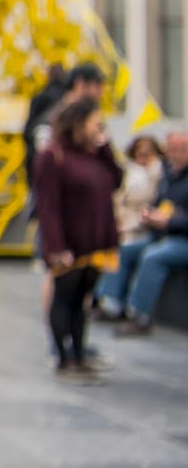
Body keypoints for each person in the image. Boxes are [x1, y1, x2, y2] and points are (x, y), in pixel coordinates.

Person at [32, 96, 122, 382]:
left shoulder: (94, 154)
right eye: (95, 123)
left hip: (95, 241)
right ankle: (62, 357)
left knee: (82, 301)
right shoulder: (53, 156)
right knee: (64, 298)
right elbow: (48, 206)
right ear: (79, 123)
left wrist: (105, 144)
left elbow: (116, 179)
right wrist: (56, 247)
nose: (99, 128)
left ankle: (80, 356)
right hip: (68, 243)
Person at [105, 131, 188, 337]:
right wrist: (150, 213)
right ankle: (112, 304)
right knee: (124, 250)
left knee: (153, 257)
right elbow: (159, 203)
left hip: (181, 238)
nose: (175, 155)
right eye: (171, 150)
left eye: (181, 150)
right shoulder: (168, 175)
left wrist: (171, 221)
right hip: (162, 233)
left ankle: (140, 315)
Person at [95, 135, 164, 321]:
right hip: (130, 220)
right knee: (118, 249)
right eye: (140, 149)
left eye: (148, 149)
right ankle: (108, 301)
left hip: (143, 224)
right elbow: (118, 195)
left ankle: (138, 312)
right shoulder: (128, 170)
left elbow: (150, 198)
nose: (143, 153)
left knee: (151, 255)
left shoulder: (158, 171)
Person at [21, 62, 69, 191]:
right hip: (65, 164)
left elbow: (27, 131)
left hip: (39, 162)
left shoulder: (39, 98)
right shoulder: (69, 100)